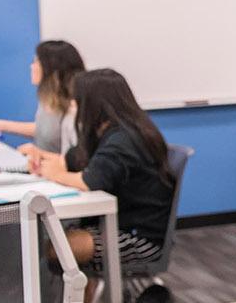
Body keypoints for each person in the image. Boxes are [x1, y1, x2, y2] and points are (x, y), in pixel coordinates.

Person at [31, 70, 175, 280]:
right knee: (53, 240)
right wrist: (42, 160)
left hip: (138, 238)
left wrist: (54, 174)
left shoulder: (123, 139)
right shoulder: (106, 133)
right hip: (117, 226)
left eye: (76, 101)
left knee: (54, 248)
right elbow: (72, 160)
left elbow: (90, 181)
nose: (73, 106)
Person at [0, 40, 86, 157]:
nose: (31, 66)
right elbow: (45, 131)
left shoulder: (74, 106)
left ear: (50, 69)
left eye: (36, 62)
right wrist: (2, 125)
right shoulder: (47, 99)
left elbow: (79, 162)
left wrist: (39, 153)